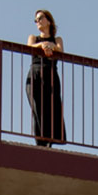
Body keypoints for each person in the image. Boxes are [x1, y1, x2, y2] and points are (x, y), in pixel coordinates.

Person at [25, 9, 66, 146]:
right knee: (37, 107)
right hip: (36, 74)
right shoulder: (33, 37)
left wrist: (51, 46)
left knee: (52, 107)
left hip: (51, 75)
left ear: (48, 20)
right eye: (36, 20)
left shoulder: (57, 39)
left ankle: (50, 141)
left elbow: (60, 49)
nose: (38, 22)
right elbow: (30, 46)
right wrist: (42, 46)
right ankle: (40, 142)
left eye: (40, 18)